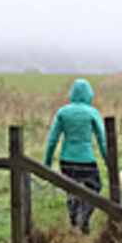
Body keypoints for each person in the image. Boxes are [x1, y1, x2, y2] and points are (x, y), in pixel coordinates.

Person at [43, 78, 109, 233]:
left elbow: (53, 138)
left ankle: (74, 224)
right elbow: (102, 139)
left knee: (71, 190)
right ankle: (84, 218)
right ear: (89, 94)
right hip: (87, 159)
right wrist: (108, 160)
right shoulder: (92, 112)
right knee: (95, 187)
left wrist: (47, 161)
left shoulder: (63, 112)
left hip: (66, 159)